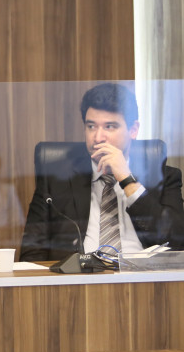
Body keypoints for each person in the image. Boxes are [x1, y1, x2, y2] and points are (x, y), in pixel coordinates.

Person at [20, 83, 184, 261]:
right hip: (80, 276)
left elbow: (177, 242)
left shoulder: (164, 177)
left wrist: (127, 181)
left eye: (110, 126)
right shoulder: (56, 180)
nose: (98, 138)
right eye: (91, 126)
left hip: (141, 275)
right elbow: (31, 254)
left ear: (133, 130)